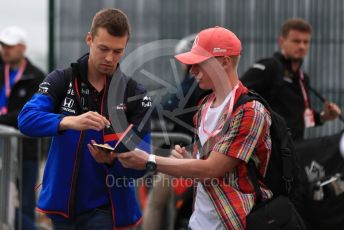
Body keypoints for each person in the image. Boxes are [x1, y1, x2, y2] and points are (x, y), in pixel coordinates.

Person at [92, 26, 273, 230]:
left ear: (224, 62)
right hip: (200, 223)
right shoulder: (205, 106)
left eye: (199, 63)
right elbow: (206, 168)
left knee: (156, 203)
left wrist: (149, 160)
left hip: (232, 223)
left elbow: (212, 169)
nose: (192, 71)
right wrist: (188, 162)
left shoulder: (250, 112)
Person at [18, 8, 151, 229]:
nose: (110, 58)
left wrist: (112, 161)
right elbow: (26, 119)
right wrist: (67, 121)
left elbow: (143, 162)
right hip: (63, 209)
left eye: (118, 51)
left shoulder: (134, 93)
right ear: (89, 40)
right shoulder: (61, 79)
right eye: (103, 49)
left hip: (109, 209)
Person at [241, 18, 341, 141]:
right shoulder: (269, 67)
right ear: (282, 42)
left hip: (295, 151)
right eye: (296, 41)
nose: (301, 46)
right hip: (269, 151)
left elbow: (300, 120)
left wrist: (324, 116)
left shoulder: (303, 78)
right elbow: (238, 95)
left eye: (306, 42)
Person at [0, 26, 45, 230]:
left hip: (26, 150)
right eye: (2, 45)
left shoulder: (37, 77)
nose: (5, 50)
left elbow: (28, 116)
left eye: (10, 46)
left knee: (26, 201)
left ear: (22, 48)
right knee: (4, 202)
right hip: (4, 147)